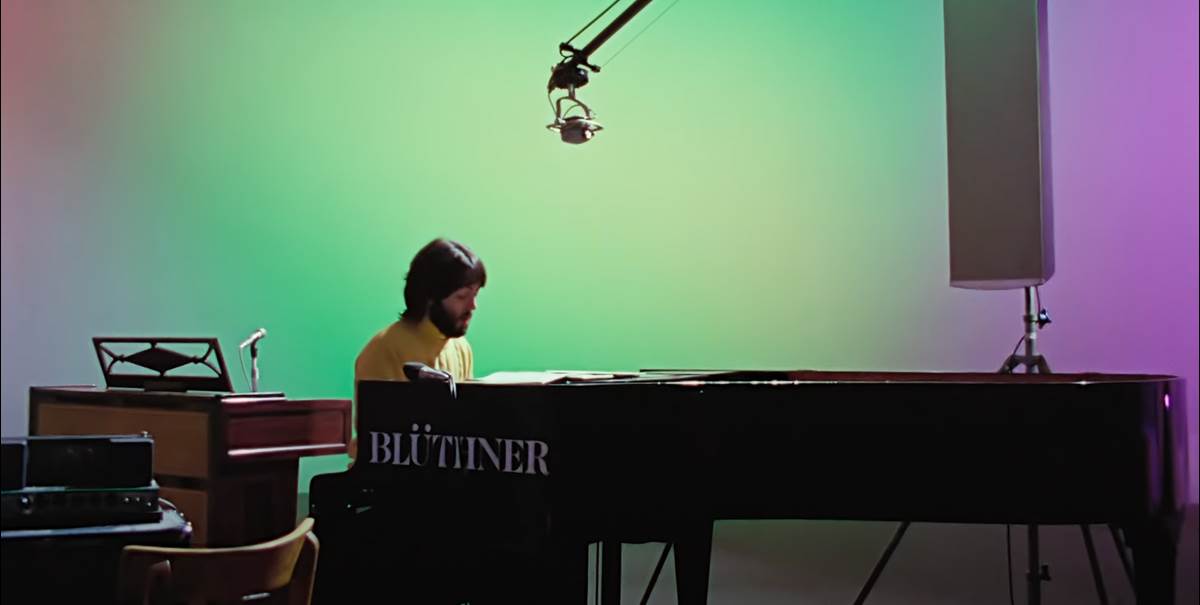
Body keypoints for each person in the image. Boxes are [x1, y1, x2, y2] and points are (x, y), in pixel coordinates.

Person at [350, 237, 485, 460]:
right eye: (462, 296)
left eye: (475, 295)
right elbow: (381, 444)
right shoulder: (383, 349)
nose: (473, 306)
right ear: (430, 297)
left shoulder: (461, 348)